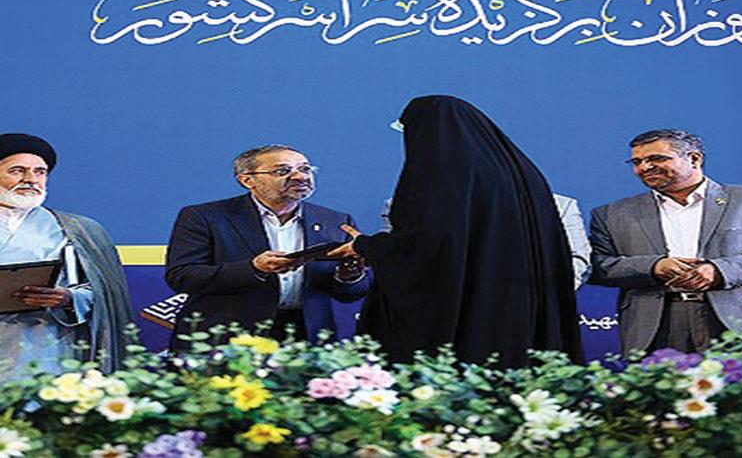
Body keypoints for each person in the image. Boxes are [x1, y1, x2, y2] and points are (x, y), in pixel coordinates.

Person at [330, 95, 583, 368]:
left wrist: (366, 246)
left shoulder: (445, 176)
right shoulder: (524, 177)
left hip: (468, 325)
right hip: (523, 320)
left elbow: (430, 247)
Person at [589, 129, 742, 354]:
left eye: (656, 158)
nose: (644, 167)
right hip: (654, 328)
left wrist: (721, 270)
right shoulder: (611, 214)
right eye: (637, 162)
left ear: (694, 158)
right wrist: (654, 266)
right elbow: (598, 266)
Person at [165, 145, 371, 349]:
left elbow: (351, 293)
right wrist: (255, 269)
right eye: (283, 171)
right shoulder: (205, 217)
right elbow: (183, 276)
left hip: (308, 338)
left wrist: (349, 276)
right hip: (229, 337)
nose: (300, 177)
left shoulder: (336, 221)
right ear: (247, 180)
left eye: (305, 169)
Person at [0, 133, 132, 376]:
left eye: (40, 172)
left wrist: (69, 298)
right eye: (17, 171)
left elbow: (105, 295)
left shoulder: (79, 229)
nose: (30, 179)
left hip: (49, 345)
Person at [379, 193, 592, 290]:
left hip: (525, 319)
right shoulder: (400, 205)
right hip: (434, 319)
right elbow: (393, 267)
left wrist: (533, 299)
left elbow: (576, 262)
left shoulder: (557, 205)